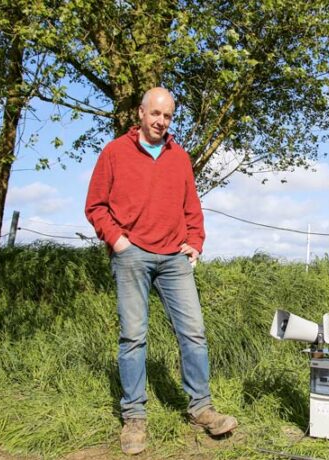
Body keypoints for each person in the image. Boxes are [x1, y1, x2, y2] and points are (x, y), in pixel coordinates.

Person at [85, 87, 237, 455]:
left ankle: (201, 408)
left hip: (174, 258)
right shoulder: (115, 152)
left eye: (167, 116)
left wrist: (195, 243)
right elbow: (95, 205)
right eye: (155, 114)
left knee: (194, 333)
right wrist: (118, 241)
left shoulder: (179, 157)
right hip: (131, 254)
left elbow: (192, 209)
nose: (161, 122)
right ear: (140, 113)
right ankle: (134, 418)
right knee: (133, 336)